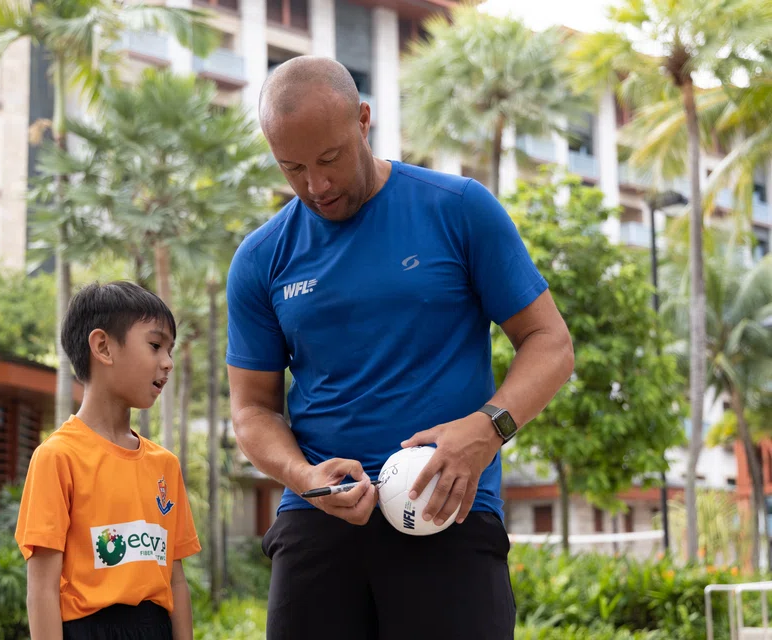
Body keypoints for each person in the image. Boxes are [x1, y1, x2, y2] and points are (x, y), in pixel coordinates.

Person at [225, 56, 575, 639]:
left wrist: (488, 430)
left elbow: (551, 343)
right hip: (319, 519)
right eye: (294, 168)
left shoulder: (459, 208)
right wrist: (302, 476)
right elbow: (253, 409)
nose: (317, 186)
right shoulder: (261, 259)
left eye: (330, 158)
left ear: (364, 120)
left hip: (449, 511)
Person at [15, 281, 201, 640]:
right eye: (155, 345)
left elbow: (176, 581)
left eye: (170, 350)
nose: (168, 362)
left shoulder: (165, 465)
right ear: (103, 347)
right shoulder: (57, 457)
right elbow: (41, 589)